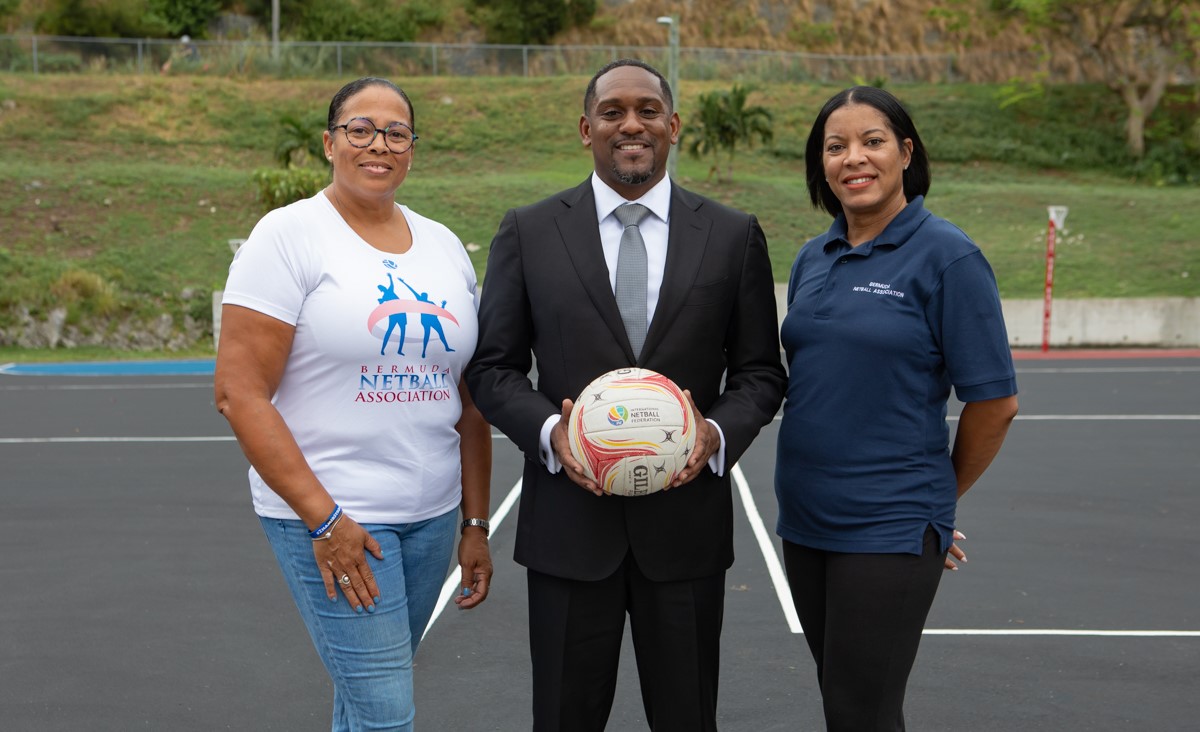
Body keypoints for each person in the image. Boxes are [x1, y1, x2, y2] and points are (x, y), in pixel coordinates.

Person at [466, 59, 786, 731]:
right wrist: (554, 435)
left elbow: (760, 373)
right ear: (587, 129)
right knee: (562, 717)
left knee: (688, 717)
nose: (630, 123)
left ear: (673, 127)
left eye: (647, 110)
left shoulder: (731, 234)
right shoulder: (529, 231)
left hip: (686, 533)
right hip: (568, 532)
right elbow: (493, 369)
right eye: (612, 111)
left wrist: (716, 435)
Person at [214, 76, 492, 731]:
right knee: (385, 713)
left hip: (429, 519)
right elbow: (238, 392)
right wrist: (323, 520)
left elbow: (469, 403)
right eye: (360, 129)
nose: (379, 144)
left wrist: (475, 524)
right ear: (329, 143)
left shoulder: (445, 247)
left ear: (412, 148)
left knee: (366, 703)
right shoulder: (288, 237)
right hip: (336, 517)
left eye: (397, 132)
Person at [775, 86, 1019, 731]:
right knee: (842, 701)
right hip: (804, 522)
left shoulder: (948, 256)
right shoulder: (812, 256)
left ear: (906, 152)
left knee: (863, 711)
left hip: (888, 524)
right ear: (821, 165)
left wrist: (931, 506)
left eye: (872, 141)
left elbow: (994, 402)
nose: (854, 158)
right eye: (836, 146)